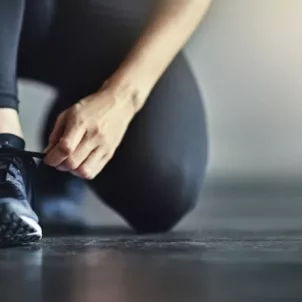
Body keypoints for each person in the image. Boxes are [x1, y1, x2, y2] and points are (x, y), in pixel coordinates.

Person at [0, 0, 210, 245]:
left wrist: (123, 97)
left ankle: (62, 151)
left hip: (102, 15)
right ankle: (4, 150)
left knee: (164, 191)